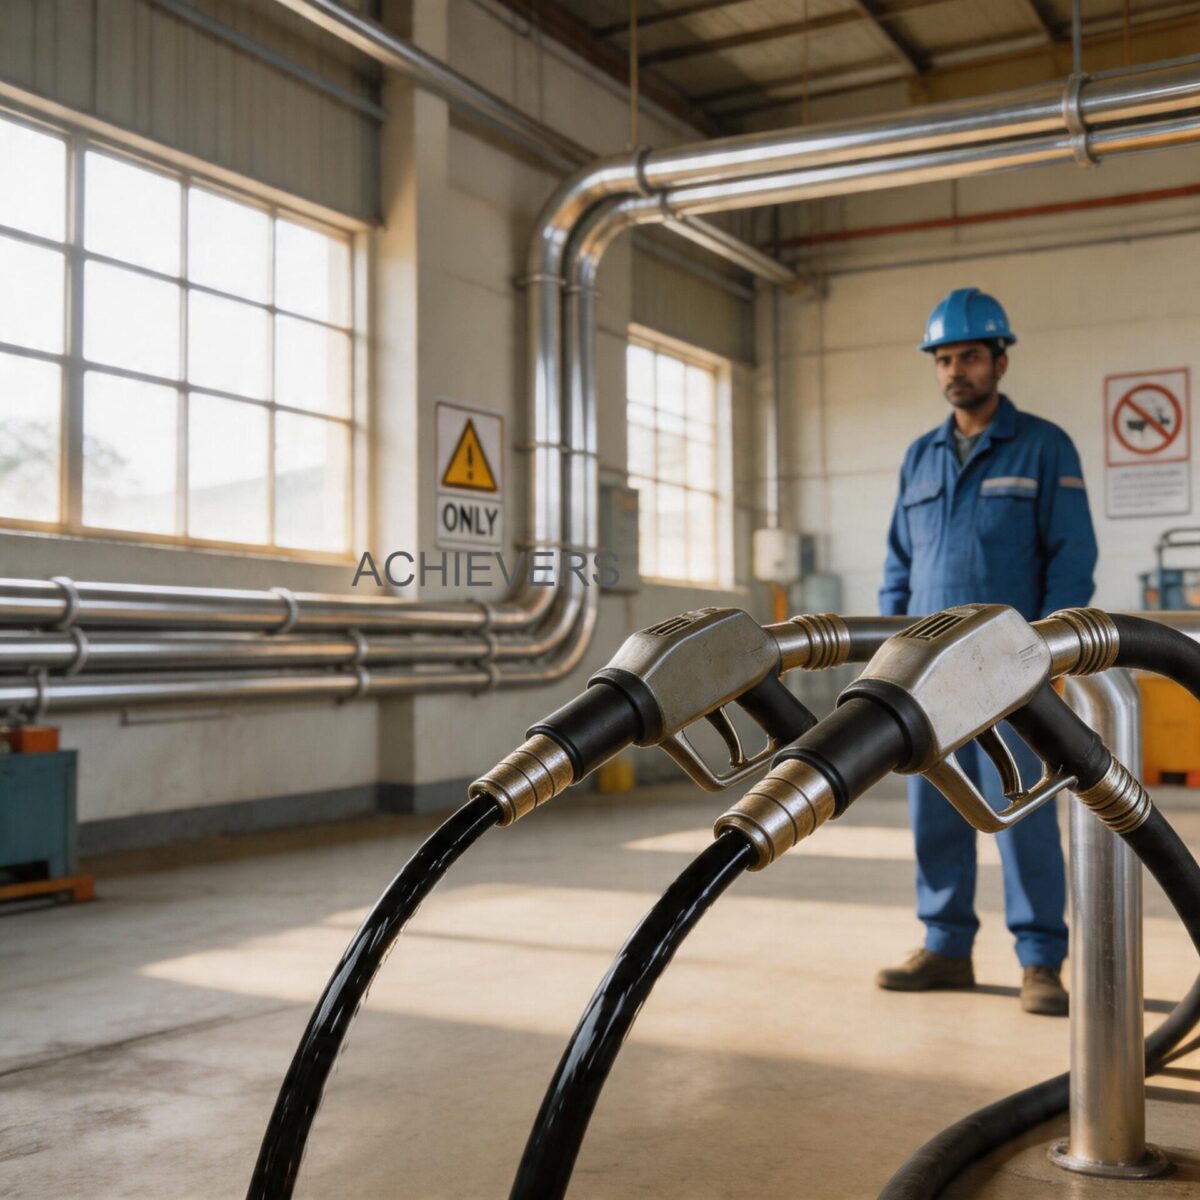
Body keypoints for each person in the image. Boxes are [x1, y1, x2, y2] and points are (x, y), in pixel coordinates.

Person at [877, 287, 1098, 1017]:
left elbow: (1071, 560)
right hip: (929, 676)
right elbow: (899, 567)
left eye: (969, 355)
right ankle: (946, 947)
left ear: (1000, 360)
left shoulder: (1044, 445)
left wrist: (1046, 659)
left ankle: (1041, 961)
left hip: (1012, 675)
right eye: (944, 359)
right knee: (935, 812)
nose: (955, 371)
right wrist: (892, 654)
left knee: (1024, 813)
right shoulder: (919, 456)